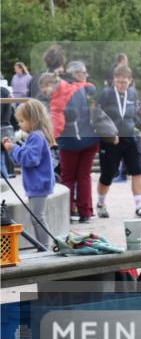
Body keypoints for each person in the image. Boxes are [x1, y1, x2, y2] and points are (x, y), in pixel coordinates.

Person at [47, 62, 104, 222]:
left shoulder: (61, 90)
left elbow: (57, 115)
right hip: (89, 139)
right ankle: (85, 212)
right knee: (84, 176)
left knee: (68, 177)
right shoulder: (89, 89)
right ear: (77, 74)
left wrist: (53, 137)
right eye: (84, 73)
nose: (86, 75)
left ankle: (67, 212)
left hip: (68, 141)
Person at [95, 66, 141, 219]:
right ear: (114, 80)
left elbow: (133, 116)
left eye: (124, 82)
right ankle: (101, 204)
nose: (121, 85)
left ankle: (140, 207)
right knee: (108, 174)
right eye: (118, 82)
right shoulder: (106, 94)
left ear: (130, 81)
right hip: (111, 141)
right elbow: (97, 116)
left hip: (131, 139)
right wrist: (108, 134)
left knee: (138, 171)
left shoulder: (132, 94)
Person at [2, 100, 56, 242]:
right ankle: (44, 246)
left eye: (21, 121)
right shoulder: (36, 136)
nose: (19, 124)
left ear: (33, 119)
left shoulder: (36, 137)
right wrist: (14, 147)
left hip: (38, 184)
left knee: (38, 218)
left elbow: (30, 159)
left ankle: (45, 247)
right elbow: (25, 156)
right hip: (37, 184)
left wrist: (12, 148)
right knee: (37, 217)